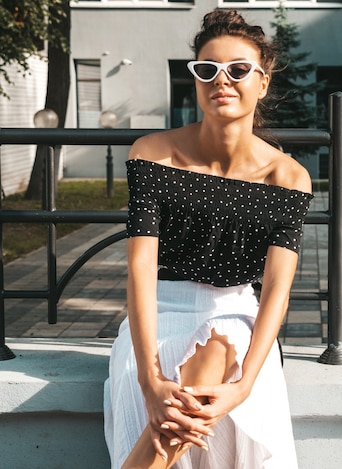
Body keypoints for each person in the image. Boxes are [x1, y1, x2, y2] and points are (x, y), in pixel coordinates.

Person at [103, 9, 313, 469]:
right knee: (188, 386)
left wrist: (244, 386)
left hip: (237, 316)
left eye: (238, 70)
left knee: (219, 342)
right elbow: (140, 268)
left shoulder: (288, 177)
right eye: (207, 70)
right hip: (159, 317)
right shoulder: (153, 153)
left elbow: (277, 289)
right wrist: (150, 381)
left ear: (263, 80)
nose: (223, 80)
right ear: (195, 80)